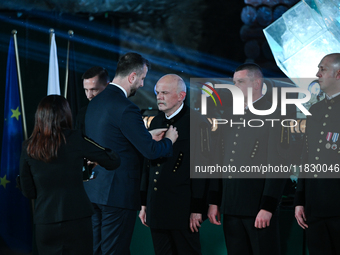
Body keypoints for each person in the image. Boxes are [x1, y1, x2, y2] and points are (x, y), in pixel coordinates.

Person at [84, 52, 178, 255]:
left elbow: (112, 141)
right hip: (117, 195)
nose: (143, 84)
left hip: (94, 191)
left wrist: (145, 134)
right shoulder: (126, 108)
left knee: (98, 250)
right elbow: (151, 152)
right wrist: (170, 139)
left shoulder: (95, 103)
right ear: (132, 77)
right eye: (143, 78)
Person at [19, 95, 120, 255]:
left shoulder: (28, 146)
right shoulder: (75, 139)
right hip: (77, 219)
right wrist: (92, 162)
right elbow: (113, 161)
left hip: (46, 222)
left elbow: (29, 191)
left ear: (40, 117)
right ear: (66, 114)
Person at [207, 63, 287, 255]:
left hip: (258, 207)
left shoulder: (275, 115)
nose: (235, 87)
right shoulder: (229, 115)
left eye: (241, 82)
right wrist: (214, 200)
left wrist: (268, 206)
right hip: (231, 207)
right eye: (234, 82)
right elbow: (219, 160)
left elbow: (278, 163)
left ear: (257, 83)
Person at [139, 74, 210, 255]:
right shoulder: (156, 121)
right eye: (157, 92)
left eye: (165, 92)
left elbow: (202, 169)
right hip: (156, 206)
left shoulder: (197, 122)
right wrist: (144, 203)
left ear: (181, 96)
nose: (159, 97)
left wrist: (197, 208)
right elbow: (148, 165)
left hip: (183, 209)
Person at [294, 53, 340, 255]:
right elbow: (307, 157)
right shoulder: (316, 110)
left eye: (322, 69)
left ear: (338, 74)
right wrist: (300, 200)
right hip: (314, 207)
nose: (317, 74)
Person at [75, 66, 110, 134]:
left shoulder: (120, 112)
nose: (89, 96)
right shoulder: (82, 114)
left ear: (108, 86)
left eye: (94, 90)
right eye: (86, 90)